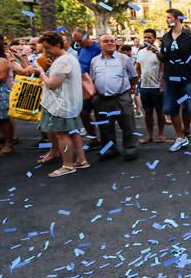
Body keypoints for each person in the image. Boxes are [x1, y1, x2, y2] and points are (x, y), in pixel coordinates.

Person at [32, 32, 88, 177]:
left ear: (57, 45)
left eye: (47, 47)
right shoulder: (68, 58)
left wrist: (41, 72)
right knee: (74, 132)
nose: (45, 51)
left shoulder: (62, 61)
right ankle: (81, 160)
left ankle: (67, 165)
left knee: (61, 135)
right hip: (71, 103)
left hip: (61, 105)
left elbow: (52, 84)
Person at [159, 9, 191, 153]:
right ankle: (180, 137)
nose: (166, 20)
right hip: (170, 80)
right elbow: (164, 60)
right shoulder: (165, 37)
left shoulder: (190, 37)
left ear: (178, 19)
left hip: (189, 79)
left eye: (169, 17)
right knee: (171, 109)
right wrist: (157, 54)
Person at [90, 34, 139, 162]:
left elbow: (134, 76)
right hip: (102, 99)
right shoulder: (95, 60)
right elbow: (92, 78)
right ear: (100, 44)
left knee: (127, 125)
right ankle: (110, 150)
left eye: (112, 41)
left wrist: (131, 88)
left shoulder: (124, 59)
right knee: (105, 127)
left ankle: (130, 149)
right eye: (106, 41)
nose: (110, 43)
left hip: (121, 97)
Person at [135, 29, 165, 143]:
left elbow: (164, 68)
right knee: (147, 112)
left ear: (154, 39)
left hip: (157, 87)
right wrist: (136, 82)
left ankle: (161, 134)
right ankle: (149, 135)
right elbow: (137, 67)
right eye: (145, 37)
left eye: (149, 37)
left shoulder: (159, 52)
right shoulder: (140, 52)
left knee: (159, 111)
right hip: (144, 87)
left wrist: (161, 85)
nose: (147, 39)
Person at [72, 28, 102, 145]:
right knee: (84, 114)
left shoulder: (98, 48)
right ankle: (93, 138)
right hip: (84, 86)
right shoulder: (80, 49)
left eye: (79, 40)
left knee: (101, 116)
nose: (78, 43)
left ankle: (106, 141)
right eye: (76, 41)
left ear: (87, 36)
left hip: (97, 85)